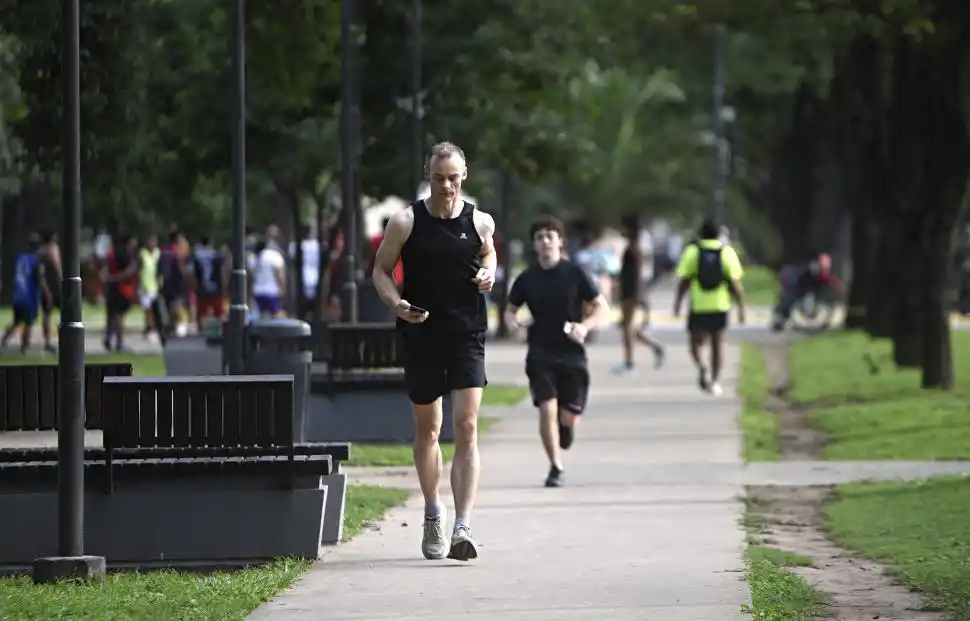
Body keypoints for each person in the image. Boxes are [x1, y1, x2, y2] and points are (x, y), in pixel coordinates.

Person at [371, 141, 496, 562]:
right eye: (439, 178)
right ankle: (432, 512)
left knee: (467, 424)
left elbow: (489, 253)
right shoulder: (405, 222)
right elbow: (380, 270)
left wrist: (489, 273)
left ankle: (463, 525)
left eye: (454, 178)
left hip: (466, 333)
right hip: (422, 332)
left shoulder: (479, 222)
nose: (447, 186)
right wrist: (396, 305)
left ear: (465, 176)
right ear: (429, 175)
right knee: (429, 429)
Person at [504, 215, 608, 488]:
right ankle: (555, 466)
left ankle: (567, 426)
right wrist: (514, 327)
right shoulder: (527, 278)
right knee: (546, 409)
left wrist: (584, 327)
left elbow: (601, 306)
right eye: (539, 237)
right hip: (540, 352)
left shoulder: (575, 273)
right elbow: (510, 310)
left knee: (567, 416)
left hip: (572, 353)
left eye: (550, 236)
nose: (545, 241)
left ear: (560, 241)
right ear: (534, 245)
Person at [673, 218, 746, 396]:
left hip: (698, 306)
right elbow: (735, 284)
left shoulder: (692, 251)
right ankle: (714, 381)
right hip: (720, 305)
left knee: (695, 344)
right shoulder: (727, 252)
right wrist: (741, 308)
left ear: (700, 233)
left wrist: (678, 303)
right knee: (717, 344)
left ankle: (702, 365)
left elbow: (684, 281)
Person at [614, 215, 665, 374]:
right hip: (628, 292)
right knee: (626, 326)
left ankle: (629, 362)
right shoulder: (631, 247)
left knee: (627, 327)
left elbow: (636, 275)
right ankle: (655, 347)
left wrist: (637, 295)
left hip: (631, 293)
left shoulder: (634, 249)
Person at [1, 235, 50, 355]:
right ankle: (25, 346)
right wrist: (47, 293)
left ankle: (3, 342)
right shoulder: (36, 261)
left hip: (18, 294)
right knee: (28, 322)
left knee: (16, 321)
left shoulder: (20, 258)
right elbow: (40, 278)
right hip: (29, 296)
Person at [773, 252, 844, 329]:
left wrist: (837, 286)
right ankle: (781, 317)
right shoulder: (813, 267)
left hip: (802, 282)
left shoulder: (819, 269)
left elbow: (826, 278)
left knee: (801, 296)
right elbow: (822, 276)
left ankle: (784, 317)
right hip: (793, 280)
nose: (827, 265)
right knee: (790, 297)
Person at [102, 234, 139, 352]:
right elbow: (128, 273)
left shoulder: (111, 254)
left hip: (111, 288)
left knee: (111, 314)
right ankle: (119, 343)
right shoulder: (126, 255)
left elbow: (105, 269)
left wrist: (108, 279)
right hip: (122, 288)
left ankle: (108, 338)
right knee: (119, 315)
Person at [192, 236, 228, 330]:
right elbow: (222, 272)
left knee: (201, 313)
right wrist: (224, 287)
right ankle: (220, 331)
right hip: (216, 287)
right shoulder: (216, 255)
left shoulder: (196, 255)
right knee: (219, 313)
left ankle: (201, 331)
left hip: (202, 288)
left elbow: (192, 274)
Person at [249, 233, 286, 318]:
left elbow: (250, 277)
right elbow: (279, 274)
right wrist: (282, 287)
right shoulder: (274, 256)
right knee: (277, 315)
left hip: (257, 291)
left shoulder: (254, 258)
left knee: (260, 316)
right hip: (272, 291)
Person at [37, 229, 61, 354]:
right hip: (54, 284)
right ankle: (63, 337)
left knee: (47, 313)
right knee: (67, 311)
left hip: (44, 283)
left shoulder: (40, 251)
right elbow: (56, 264)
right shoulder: (52, 249)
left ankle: (47, 341)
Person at [139, 235, 161, 341]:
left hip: (155, 286)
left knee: (154, 310)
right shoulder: (143, 254)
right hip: (145, 286)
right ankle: (149, 328)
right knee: (148, 310)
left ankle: (151, 329)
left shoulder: (158, 253)